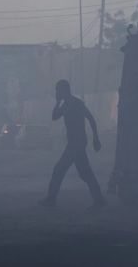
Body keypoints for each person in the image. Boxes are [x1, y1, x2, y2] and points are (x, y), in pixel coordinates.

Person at [39, 80, 106, 209]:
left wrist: (96, 138)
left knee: (60, 170)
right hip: (75, 143)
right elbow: (54, 117)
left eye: (58, 90)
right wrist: (58, 102)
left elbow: (91, 118)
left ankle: (51, 199)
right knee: (84, 172)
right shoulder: (66, 104)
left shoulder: (76, 103)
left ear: (64, 90)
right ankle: (99, 200)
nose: (57, 93)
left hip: (77, 143)